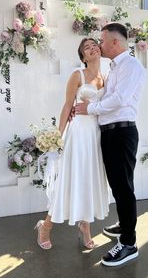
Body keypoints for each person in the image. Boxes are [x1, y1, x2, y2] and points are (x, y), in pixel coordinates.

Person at [75, 23, 145, 266]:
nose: (99, 45)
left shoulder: (131, 66)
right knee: (118, 185)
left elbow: (119, 99)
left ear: (115, 42)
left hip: (122, 133)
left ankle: (129, 243)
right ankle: (125, 225)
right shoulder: (114, 68)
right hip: (110, 133)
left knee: (123, 187)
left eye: (102, 41)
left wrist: (90, 108)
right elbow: (107, 96)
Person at [34, 38, 109, 250]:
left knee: (89, 180)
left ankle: (85, 225)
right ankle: (45, 226)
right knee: (70, 180)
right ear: (83, 56)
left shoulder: (105, 79)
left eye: (95, 44)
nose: (92, 47)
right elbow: (68, 106)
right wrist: (58, 136)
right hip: (77, 134)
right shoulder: (78, 75)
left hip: (96, 135)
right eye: (87, 47)